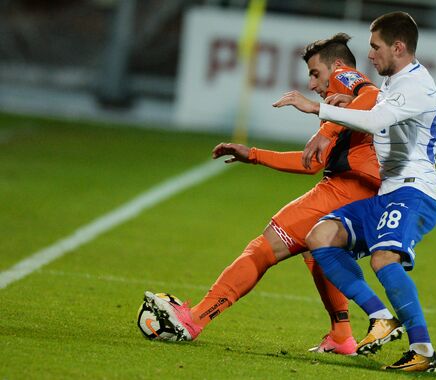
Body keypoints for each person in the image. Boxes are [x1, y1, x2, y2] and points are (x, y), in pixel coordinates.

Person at [144, 33, 404, 356]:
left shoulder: (343, 78)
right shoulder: (340, 108)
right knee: (315, 250)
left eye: (314, 73)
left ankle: (194, 319)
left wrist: (326, 129)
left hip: (346, 191)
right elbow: (311, 163)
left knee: (263, 248)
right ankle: (341, 335)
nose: (312, 84)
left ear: (336, 66)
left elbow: (371, 93)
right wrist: (252, 154)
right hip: (359, 195)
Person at [273, 12, 436, 372]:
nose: (370, 55)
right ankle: (381, 318)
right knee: (321, 236)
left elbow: (378, 121)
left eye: (375, 47)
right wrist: (347, 104)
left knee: (384, 259)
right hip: (391, 192)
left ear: (398, 47)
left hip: (415, 192)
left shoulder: (416, 86)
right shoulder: (396, 82)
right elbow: (380, 112)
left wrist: (316, 107)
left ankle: (424, 351)